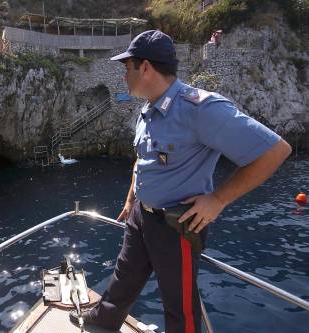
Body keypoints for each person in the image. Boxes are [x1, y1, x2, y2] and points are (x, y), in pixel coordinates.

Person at [69, 30, 292, 333]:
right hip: (141, 216)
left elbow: (275, 151)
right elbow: (143, 157)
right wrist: (131, 197)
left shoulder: (201, 109)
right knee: (124, 276)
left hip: (176, 225)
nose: (124, 75)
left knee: (179, 307)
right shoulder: (148, 108)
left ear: (145, 67)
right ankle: (104, 321)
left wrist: (218, 200)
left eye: (127, 67)